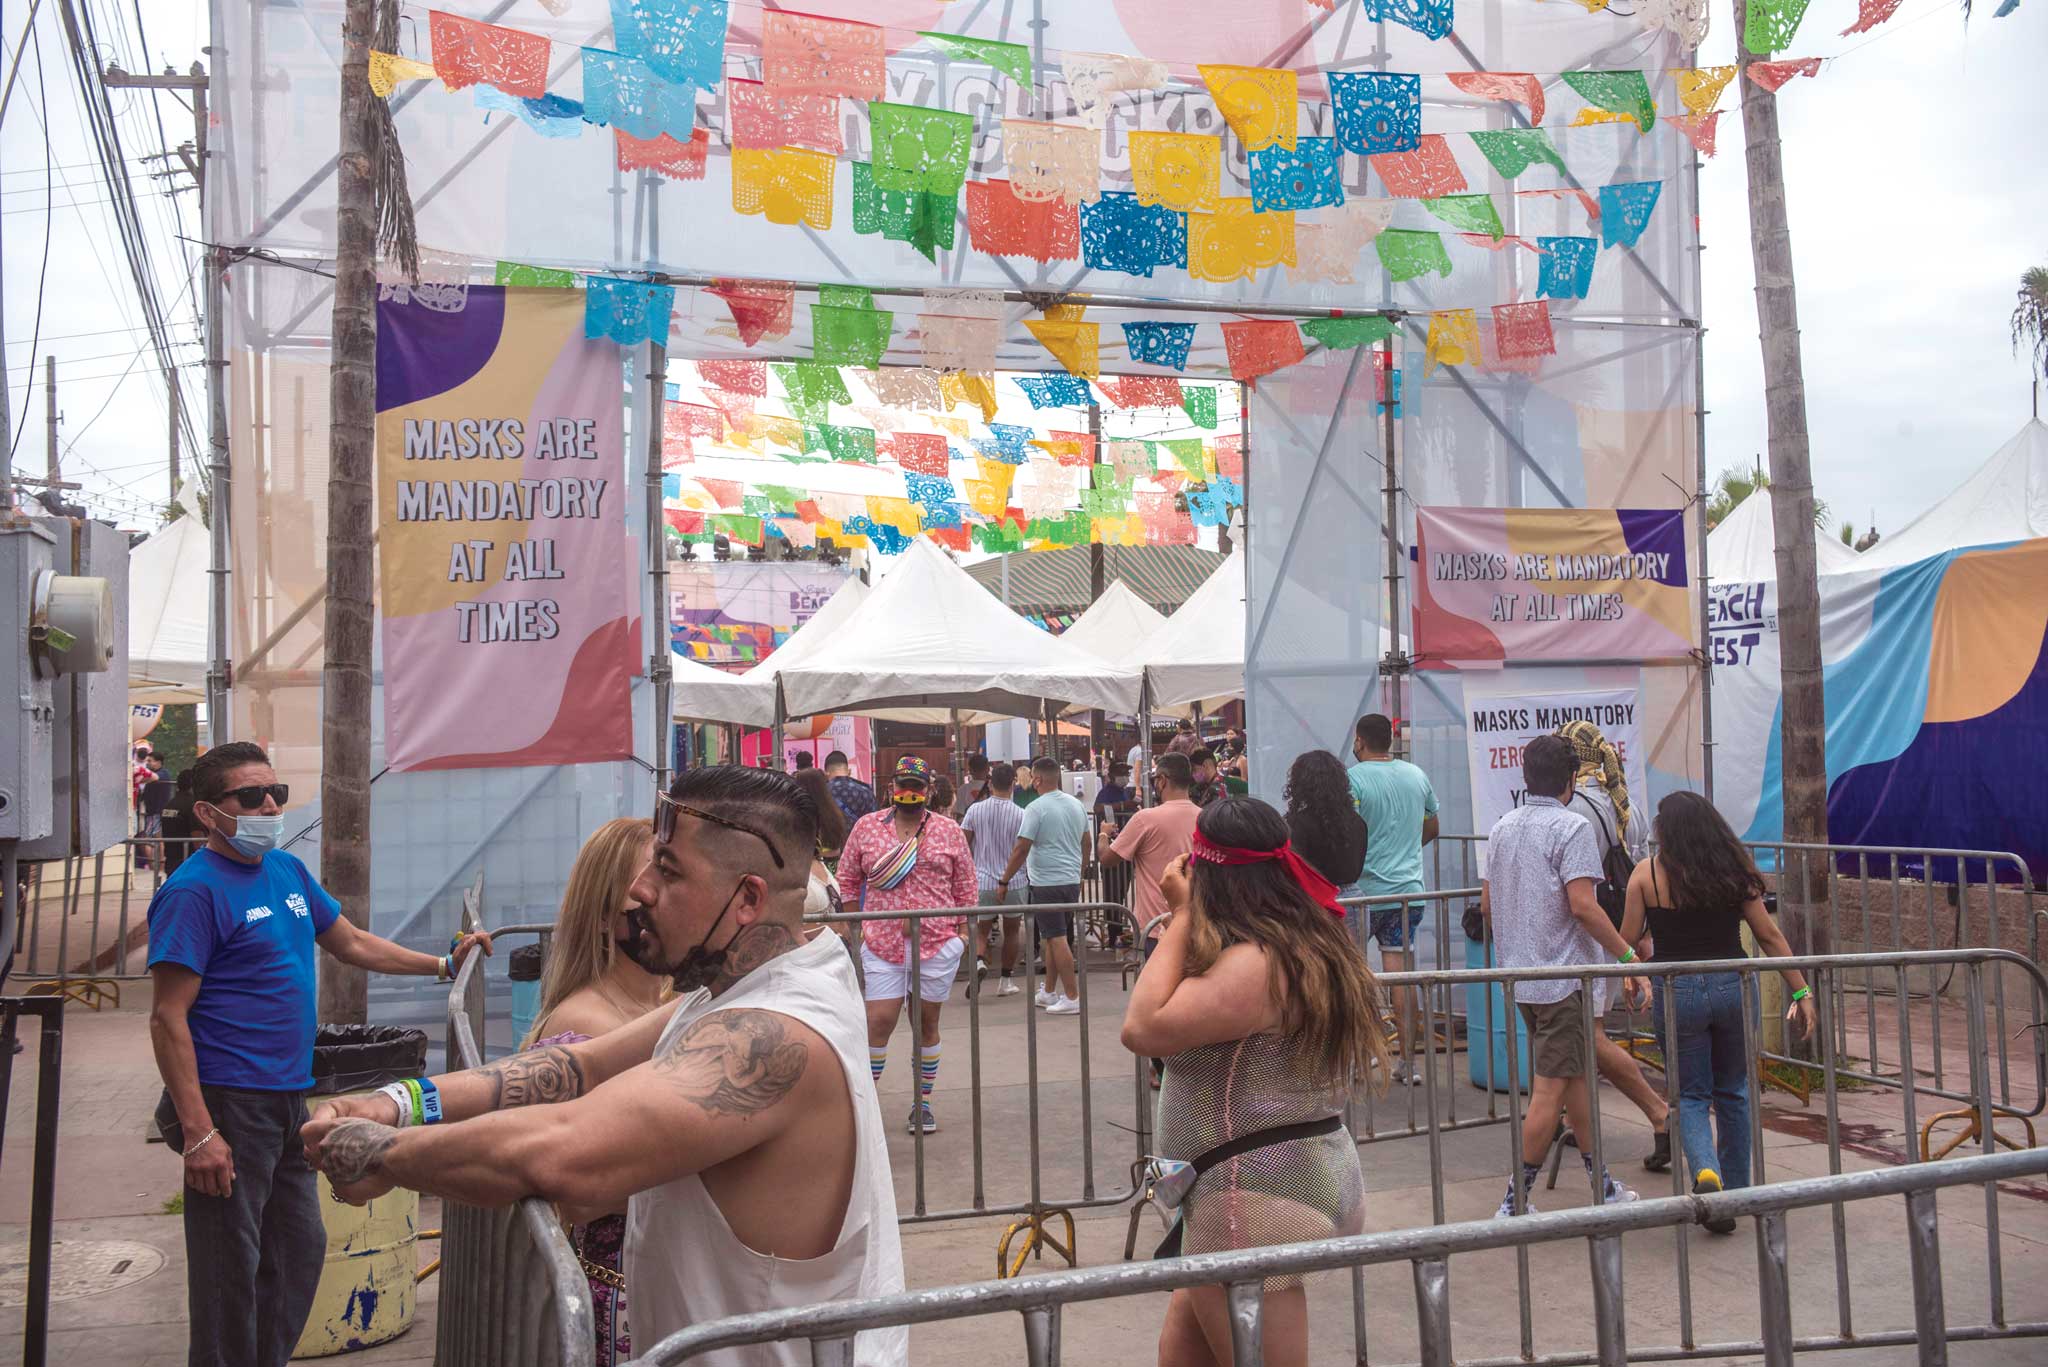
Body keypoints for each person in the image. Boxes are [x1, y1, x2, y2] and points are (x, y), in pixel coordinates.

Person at [300, 766, 907, 1367]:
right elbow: (576, 1065)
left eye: (667, 870)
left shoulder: (771, 1033)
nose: (638, 890)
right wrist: (396, 1103)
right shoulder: (743, 983)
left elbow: (563, 1150)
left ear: (746, 899)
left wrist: (382, 1154)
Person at [147, 741, 493, 1367]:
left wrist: (444, 963)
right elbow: (168, 1017)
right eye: (250, 797)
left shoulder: (285, 872)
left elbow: (352, 942)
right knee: (231, 1272)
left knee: (296, 1253)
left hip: (290, 1097)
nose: (269, 806)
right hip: (231, 1102)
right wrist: (199, 1132)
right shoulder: (192, 893)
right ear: (208, 813)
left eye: (275, 793)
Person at [1121, 797, 1390, 1367]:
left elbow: (1143, 1027)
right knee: (1181, 1354)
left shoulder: (1258, 962)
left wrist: (1185, 916)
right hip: (1264, 1181)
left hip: (1251, 1199)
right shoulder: (1296, 937)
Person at [1621, 792, 1815, 1231]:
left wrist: (1630, 974)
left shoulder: (1646, 875)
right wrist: (1802, 994)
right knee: (1735, 1090)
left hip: (1678, 990)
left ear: (1666, 831)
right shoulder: (1734, 871)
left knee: (1690, 1095)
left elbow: (1626, 941)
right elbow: (1769, 935)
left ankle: (1706, 1172)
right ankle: (1736, 1191)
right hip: (1731, 985)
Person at [1479, 735, 1648, 1218]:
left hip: (1524, 980)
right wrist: (1627, 958)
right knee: (1551, 1092)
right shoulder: (1571, 827)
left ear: (1525, 775)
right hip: (1563, 980)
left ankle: (1601, 1184)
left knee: (1575, 1086)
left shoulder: (1502, 827)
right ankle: (1513, 1203)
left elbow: (1488, 906)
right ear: (1572, 779)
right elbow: (1583, 906)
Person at [522, 818, 666, 1367]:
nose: (666, 902)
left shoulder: (663, 1002)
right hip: (624, 1308)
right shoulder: (581, 1028)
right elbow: (573, 1192)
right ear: (607, 916)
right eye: (648, 891)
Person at [1553, 719, 1672, 1172]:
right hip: (1615, 926)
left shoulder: (1578, 808)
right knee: (1574, 1035)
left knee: (1589, 1035)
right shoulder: (1624, 802)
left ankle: (1659, 1113)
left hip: (1589, 932)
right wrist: (1639, 939)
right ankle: (1565, 1119)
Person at [837, 757, 978, 1134]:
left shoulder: (948, 831)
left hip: (936, 944)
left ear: (929, 790)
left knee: (925, 1022)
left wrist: (962, 938)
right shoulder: (867, 828)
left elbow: (966, 885)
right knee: (879, 1021)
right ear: (891, 788)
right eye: (903, 785)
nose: (909, 792)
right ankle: (863, 1109)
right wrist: (858, 928)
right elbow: (847, 878)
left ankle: (923, 1103)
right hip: (882, 944)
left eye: (917, 785)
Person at [1346, 713, 1441, 1086]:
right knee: (1401, 978)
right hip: (1407, 893)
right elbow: (1433, 826)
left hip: (1363, 895)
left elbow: (1348, 832)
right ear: (1391, 740)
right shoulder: (1416, 775)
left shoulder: (1352, 779)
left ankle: (1364, 1054)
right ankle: (1407, 1063)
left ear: (1359, 741)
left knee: (1354, 975)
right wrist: (1405, 852)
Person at [994, 757, 1089, 1015]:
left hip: (1047, 881)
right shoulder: (1076, 805)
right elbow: (1086, 842)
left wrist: (1004, 880)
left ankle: (1072, 996)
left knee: (1056, 939)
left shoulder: (1036, 808)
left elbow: (1021, 847)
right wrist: (1080, 872)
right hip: (1069, 880)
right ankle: (1048, 991)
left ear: (1037, 779)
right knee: (1051, 936)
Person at [1102, 753, 1202, 958]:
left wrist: (1103, 833)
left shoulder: (1145, 819)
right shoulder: (1205, 816)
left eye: (1156, 780)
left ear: (1163, 780)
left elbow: (1107, 858)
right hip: (1197, 922)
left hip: (1158, 927)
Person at [960, 762, 1029, 995]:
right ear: (1013, 784)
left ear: (990, 783)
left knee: (981, 930)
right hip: (1015, 881)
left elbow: (963, 843)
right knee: (1011, 932)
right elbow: (1024, 849)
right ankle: (1006, 981)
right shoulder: (1021, 814)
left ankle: (979, 961)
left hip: (982, 880)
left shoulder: (975, 810)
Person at [1283, 751, 1368, 892]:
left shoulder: (1298, 823)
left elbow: (1293, 869)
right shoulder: (1357, 821)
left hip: (1316, 898)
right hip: (1354, 899)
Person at [159, 768, 200, 878]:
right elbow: (197, 837)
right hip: (189, 864)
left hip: (172, 862)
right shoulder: (193, 806)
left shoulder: (170, 804)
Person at [823, 750, 878, 827]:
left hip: (829, 838)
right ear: (849, 771)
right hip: (859, 838)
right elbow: (874, 823)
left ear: (825, 774)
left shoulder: (820, 792)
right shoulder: (865, 791)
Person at [955, 754, 992, 818]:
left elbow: (960, 815)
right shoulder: (995, 789)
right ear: (988, 769)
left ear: (970, 770)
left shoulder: (962, 790)